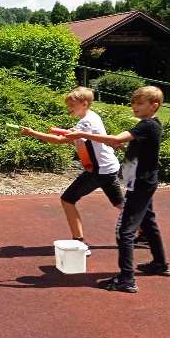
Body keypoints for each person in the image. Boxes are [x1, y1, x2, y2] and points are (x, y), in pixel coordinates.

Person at [65, 86, 170, 293]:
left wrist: (82, 134)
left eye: (139, 103)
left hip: (141, 184)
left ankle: (126, 279)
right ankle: (160, 264)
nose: (134, 107)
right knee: (148, 223)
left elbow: (115, 138)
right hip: (143, 182)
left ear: (154, 105)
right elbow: (132, 147)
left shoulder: (147, 125)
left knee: (125, 231)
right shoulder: (149, 125)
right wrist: (123, 148)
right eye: (133, 103)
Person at [20, 87, 124, 256]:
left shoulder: (86, 123)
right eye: (68, 105)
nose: (69, 108)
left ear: (84, 104)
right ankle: (145, 230)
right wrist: (69, 134)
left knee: (68, 199)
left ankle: (79, 242)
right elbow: (77, 139)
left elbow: (59, 140)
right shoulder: (91, 116)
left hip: (100, 170)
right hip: (106, 168)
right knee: (119, 204)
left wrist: (32, 133)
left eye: (72, 105)